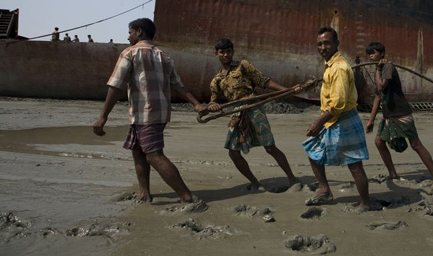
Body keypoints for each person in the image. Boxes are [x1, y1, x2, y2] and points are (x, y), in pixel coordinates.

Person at [93, 18, 207, 209]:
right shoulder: (163, 55)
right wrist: (196, 104)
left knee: (154, 155)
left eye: (129, 32)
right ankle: (144, 194)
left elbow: (115, 85)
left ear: (139, 32)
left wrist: (103, 116)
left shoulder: (130, 52)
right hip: (154, 113)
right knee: (138, 152)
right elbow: (177, 84)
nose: (128, 36)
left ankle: (186, 196)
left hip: (145, 113)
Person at [207, 38, 299, 190]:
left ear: (232, 52)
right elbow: (213, 101)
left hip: (255, 109)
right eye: (222, 52)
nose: (225, 55)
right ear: (216, 54)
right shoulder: (216, 81)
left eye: (228, 51)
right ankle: (255, 183)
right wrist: (212, 106)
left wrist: (287, 90)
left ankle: (292, 179)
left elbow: (264, 81)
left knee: (270, 147)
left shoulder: (243, 66)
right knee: (233, 152)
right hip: (237, 115)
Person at [302, 27, 371, 210]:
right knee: (312, 151)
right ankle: (325, 190)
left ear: (336, 44)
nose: (322, 47)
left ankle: (365, 203)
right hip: (334, 119)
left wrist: (319, 121)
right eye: (319, 44)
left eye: (326, 43)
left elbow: (339, 103)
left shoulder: (339, 67)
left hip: (343, 119)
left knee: (355, 164)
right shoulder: (331, 65)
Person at [365, 42, 433, 183]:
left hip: (401, 113)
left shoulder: (387, 67)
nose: (370, 55)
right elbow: (377, 98)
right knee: (379, 141)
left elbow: (381, 86)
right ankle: (393, 174)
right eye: (369, 53)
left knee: (416, 144)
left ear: (382, 53)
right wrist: (370, 121)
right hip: (389, 115)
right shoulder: (381, 68)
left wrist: (377, 69)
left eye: (373, 52)